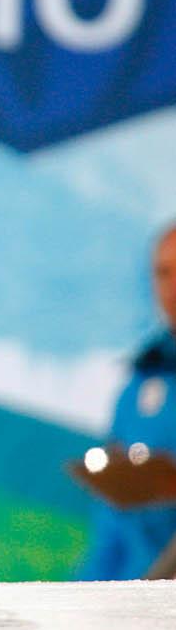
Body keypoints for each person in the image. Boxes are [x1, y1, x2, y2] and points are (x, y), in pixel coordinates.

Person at [78, 224, 176, 579]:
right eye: (163, 273)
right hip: (133, 592)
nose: (172, 287)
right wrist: (87, 593)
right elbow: (112, 520)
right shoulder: (142, 379)